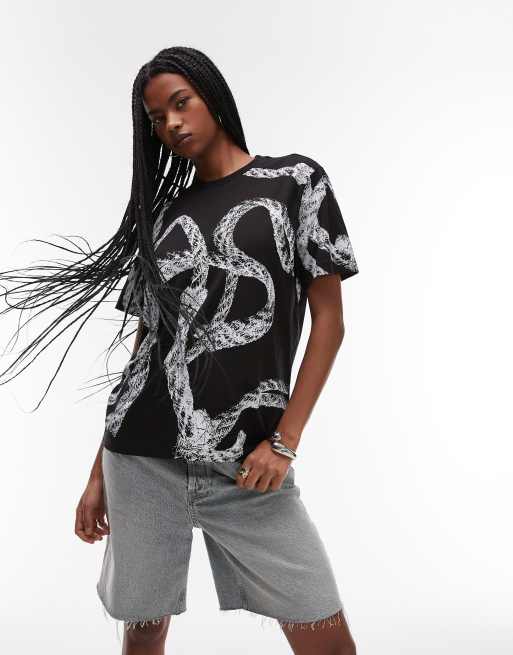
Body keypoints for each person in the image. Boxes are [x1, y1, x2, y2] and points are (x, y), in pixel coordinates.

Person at [1, 46, 359, 654]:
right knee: (144, 633)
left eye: (180, 102)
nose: (171, 123)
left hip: (247, 464)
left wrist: (284, 442)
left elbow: (331, 321)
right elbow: (146, 349)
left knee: (326, 633)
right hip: (140, 458)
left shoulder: (295, 182)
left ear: (211, 96)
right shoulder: (163, 218)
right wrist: (97, 475)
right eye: (156, 118)